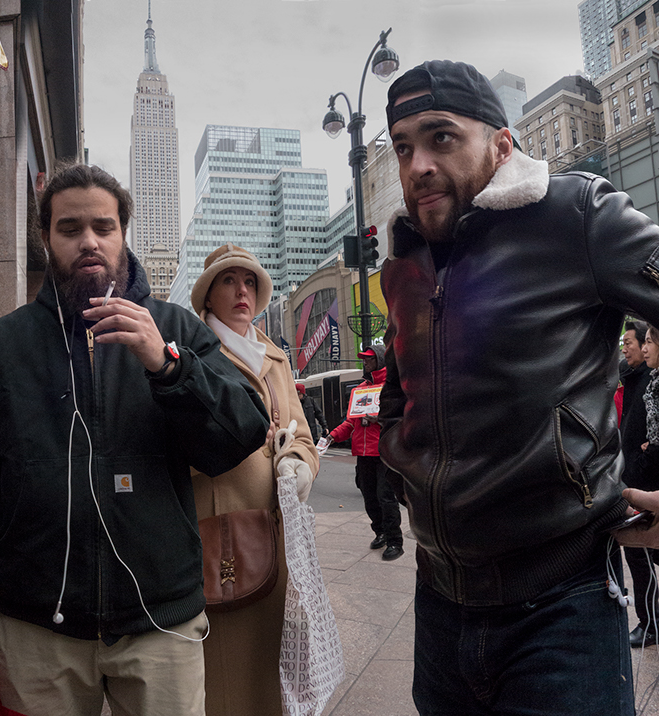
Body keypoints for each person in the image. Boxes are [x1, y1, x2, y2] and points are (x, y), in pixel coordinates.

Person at [0, 164, 270, 716]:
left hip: (162, 624)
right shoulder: (8, 343)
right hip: (40, 626)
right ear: (46, 239)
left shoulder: (176, 330)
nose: (88, 241)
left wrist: (167, 366)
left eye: (103, 227)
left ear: (122, 234)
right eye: (70, 229)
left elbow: (239, 436)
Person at [379, 60, 659, 714]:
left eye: (440, 137)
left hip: (563, 605)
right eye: (402, 147)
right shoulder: (405, 258)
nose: (417, 163)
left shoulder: (576, 214)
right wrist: (402, 462)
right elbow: (399, 391)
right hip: (440, 604)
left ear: (501, 145)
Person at [189, 243, 318, 714]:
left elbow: (303, 433)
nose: (241, 290)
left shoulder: (275, 357)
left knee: (273, 666)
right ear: (208, 293)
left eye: (249, 281)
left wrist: (300, 462)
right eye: (228, 280)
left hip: (279, 534)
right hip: (223, 532)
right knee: (229, 669)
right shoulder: (193, 352)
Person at [323, 346, 402, 560]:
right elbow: (351, 422)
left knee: (386, 497)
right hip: (363, 453)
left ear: (379, 360)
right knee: (369, 497)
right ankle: (381, 532)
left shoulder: (390, 387)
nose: (365, 363)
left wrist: (381, 420)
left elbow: (401, 419)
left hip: (383, 451)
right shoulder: (360, 389)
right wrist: (331, 436)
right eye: (364, 360)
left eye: (369, 359)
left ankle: (395, 541)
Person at [619, 321, 659, 647]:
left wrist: (644, 460)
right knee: (639, 554)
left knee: (641, 551)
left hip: (647, 482)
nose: (633, 348)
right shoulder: (641, 376)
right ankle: (650, 621)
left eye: (643, 341)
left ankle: (650, 623)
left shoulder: (653, 379)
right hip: (636, 474)